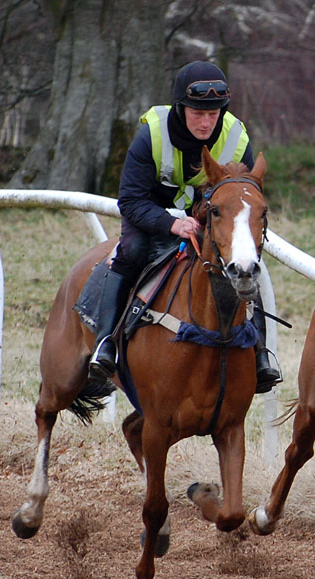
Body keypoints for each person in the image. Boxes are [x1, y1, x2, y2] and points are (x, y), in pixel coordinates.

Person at [88, 60, 282, 393]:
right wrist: (170, 225)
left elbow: (244, 196)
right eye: (198, 113)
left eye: (214, 113)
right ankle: (106, 342)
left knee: (248, 265)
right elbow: (130, 201)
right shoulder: (150, 134)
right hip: (150, 216)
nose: (207, 122)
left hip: (208, 219)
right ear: (181, 107)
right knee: (132, 251)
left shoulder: (236, 136)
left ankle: (260, 353)